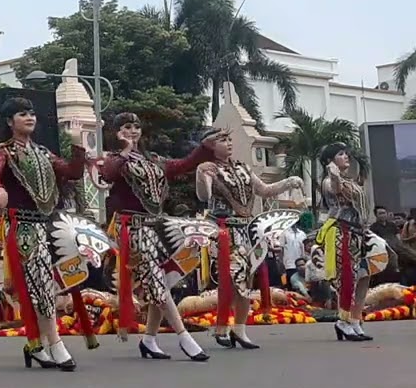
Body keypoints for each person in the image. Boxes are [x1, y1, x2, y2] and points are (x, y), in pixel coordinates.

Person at [100, 113, 218, 362]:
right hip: (132, 229)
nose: (132, 131)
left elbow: (182, 165)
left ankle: (149, 340)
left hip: (157, 228)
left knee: (160, 283)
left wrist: (203, 148)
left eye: (136, 127)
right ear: (116, 132)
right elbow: (108, 175)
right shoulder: (114, 159)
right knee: (156, 282)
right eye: (126, 127)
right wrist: (125, 150)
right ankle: (184, 336)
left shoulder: (153, 160)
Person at [0, 97, 91, 370]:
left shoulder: (44, 152)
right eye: (22, 114)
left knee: (45, 286)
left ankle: (35, 345)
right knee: (42, 285)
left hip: (47, 226)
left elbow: (71, 172)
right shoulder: (4, 152)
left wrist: (78, 144)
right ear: (10, 122)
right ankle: (55, 343)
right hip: (23, 227)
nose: (30, 117)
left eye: (32, 113)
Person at [193, 128, 304, 349]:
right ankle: (223, 327)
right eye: (222, 140)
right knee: (233, 279)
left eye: (229, 139)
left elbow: (264, 190)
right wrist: (202, 176)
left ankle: (239, 329)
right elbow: (203, 197)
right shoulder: (208, 168)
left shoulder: (243, 168)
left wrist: (288, 182)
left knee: (246, 281)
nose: (228, 143)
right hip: (223, 231)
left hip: (247, 231)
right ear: (211, 146)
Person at [317, 142, 386, 342]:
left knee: (363, 277)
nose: (346, 156)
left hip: (358, 233)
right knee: (347, 277)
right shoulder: (328, 181)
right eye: (341, 154)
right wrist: (333, 174)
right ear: (331, 161)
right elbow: (336, 188)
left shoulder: (350, 180)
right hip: (342, 232)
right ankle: (343, 321)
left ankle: (355, 321)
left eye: (346, 153)